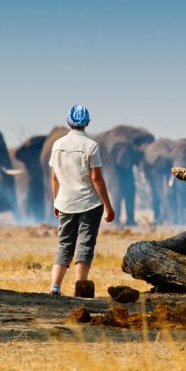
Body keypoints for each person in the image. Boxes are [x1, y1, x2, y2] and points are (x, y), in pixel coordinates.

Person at [48, 105, 115, 297]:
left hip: (65, 202)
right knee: (85, 243)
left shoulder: (57, 145)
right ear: (87, 123)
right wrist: (108, 206)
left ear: (68, 122)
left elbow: (54, 178)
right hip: (90, 203)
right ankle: (80, 287)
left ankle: (55, 287)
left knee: (64, 244)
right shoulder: (91, 146)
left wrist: (56, 201)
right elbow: (96, 178)